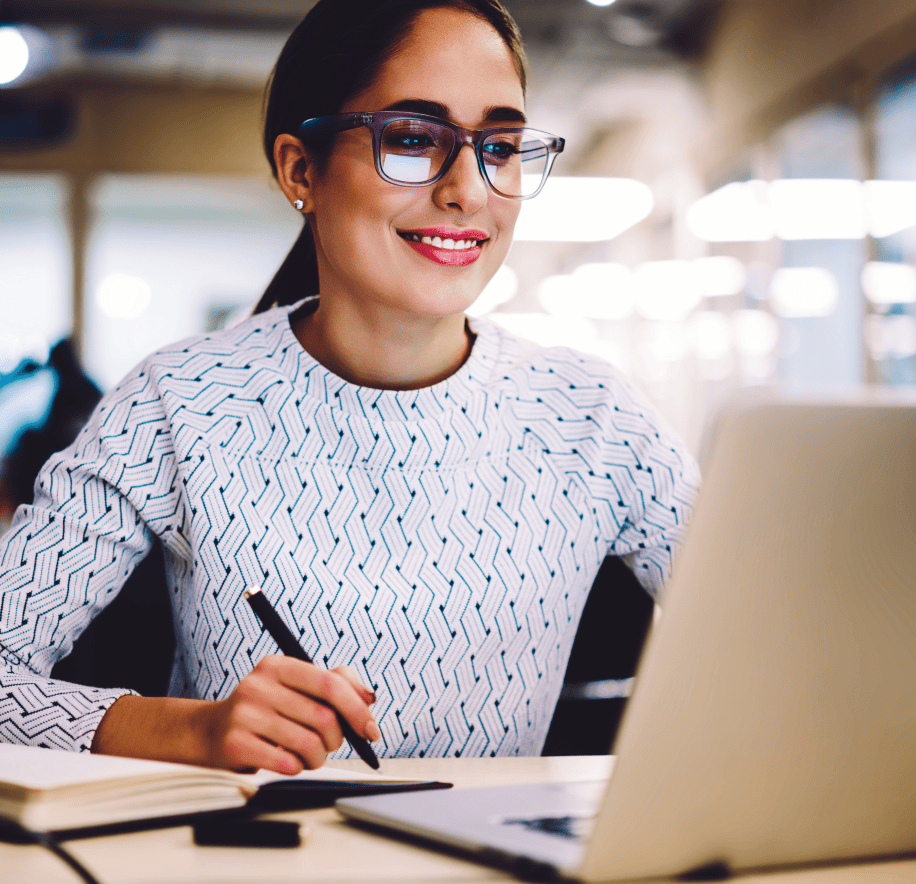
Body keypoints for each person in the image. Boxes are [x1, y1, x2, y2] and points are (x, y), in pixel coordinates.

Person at [0, 0, 700, 773]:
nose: (470, 190)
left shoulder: (593, 418)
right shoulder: (179, 404)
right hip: (257, 882)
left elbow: (786, 644)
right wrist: (190, 733)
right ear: (301, 169)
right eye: (411, 138)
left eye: (498, 146)